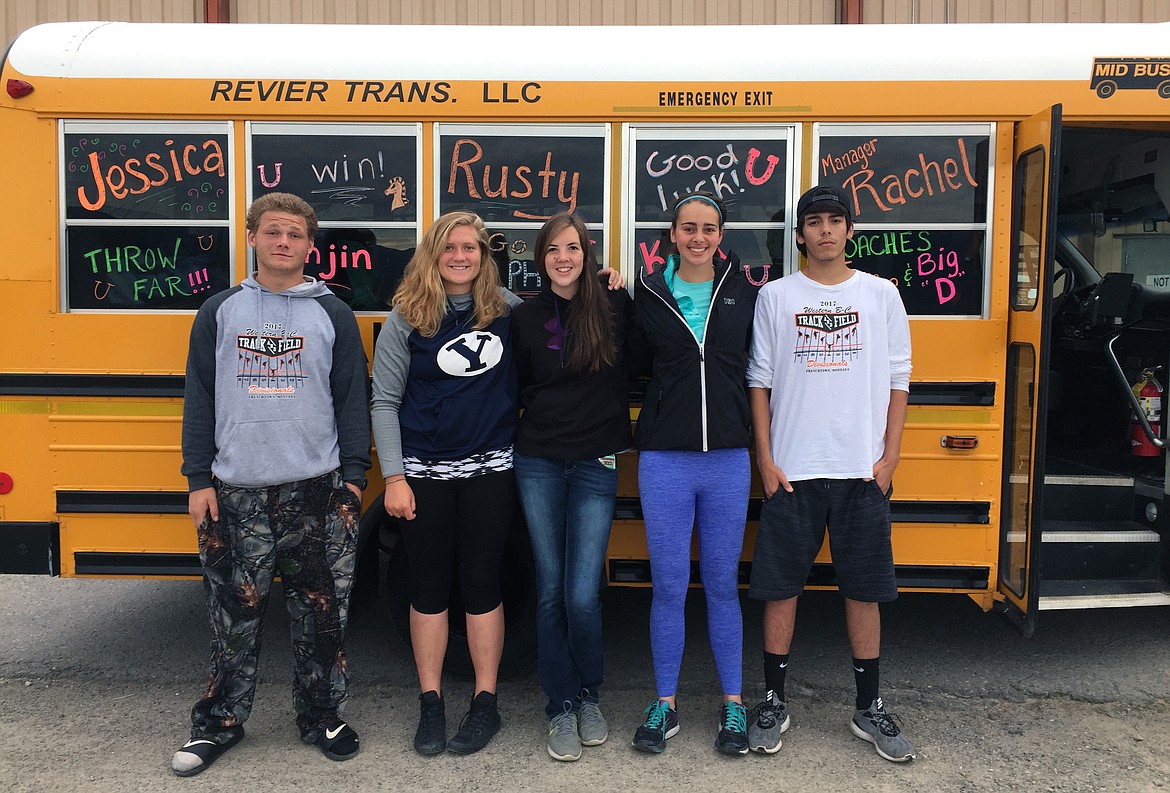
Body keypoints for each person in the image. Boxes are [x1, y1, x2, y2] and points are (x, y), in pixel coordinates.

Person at [173, 192, 371, 777]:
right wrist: (197, 477)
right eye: (273, 232)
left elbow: (351, 400)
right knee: (234, 614)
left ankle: (322, 716)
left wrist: (354, 479)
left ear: (312, 246)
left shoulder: (332, 312)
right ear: (253, 238)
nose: (284, 242)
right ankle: (218, 724)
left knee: (321, 614)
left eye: (296, 234)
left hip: (318, 490)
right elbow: (200, 398)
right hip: (236, 492)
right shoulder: (220, 310)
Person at [744, 184, 915, 762]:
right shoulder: (775, 296)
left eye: (834, 221)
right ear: (799, 235)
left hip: (861, 472)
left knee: (864, 590)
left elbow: (900, 379)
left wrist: (889, 458)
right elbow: (759, 381)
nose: (824, 231)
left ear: (848, 231)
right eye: (813, 222)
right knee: (779, 587)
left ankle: (869, 707)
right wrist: (766, 460)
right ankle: (772, 699)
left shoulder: (881, 294)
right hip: (793, 471)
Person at [371, 211, 522, 757]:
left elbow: (568, 313)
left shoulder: (507, 311)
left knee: (483, 584)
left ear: (484, 255)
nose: (460, 257)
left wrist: (609, 280)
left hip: (490, 473)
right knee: (428, 587)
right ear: (432, 256)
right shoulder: (406, 320)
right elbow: (384, 401)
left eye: (471, 248)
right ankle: (431, 702)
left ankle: (486, 703)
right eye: (449, 248)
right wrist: (394, 476)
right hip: (425, 475)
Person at [631, 191, 763, 756]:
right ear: (673, 234)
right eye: (689, 228)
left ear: (721, 235)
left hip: (729, 459)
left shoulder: (746, 293)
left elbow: (763, 372)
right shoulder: (647, 292)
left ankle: (734, 705)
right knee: (667, 587)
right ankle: (666, 703)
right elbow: (629, 364)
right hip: (664, 459)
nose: (699, 237)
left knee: (721, 586)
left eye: (709, 228)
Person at [510, 213, 642, 762]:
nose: (564, 258)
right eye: (553, 250)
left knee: (583, 594)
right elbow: (513, 386)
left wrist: (619, 286)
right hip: (538, 459)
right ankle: (560, 704)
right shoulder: (523, 317)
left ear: (587, 254)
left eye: (573, 248)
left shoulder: (614, 305)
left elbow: (638, 368)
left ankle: (590, 694)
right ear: (541, 258)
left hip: (596, 459)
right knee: (548, 589)